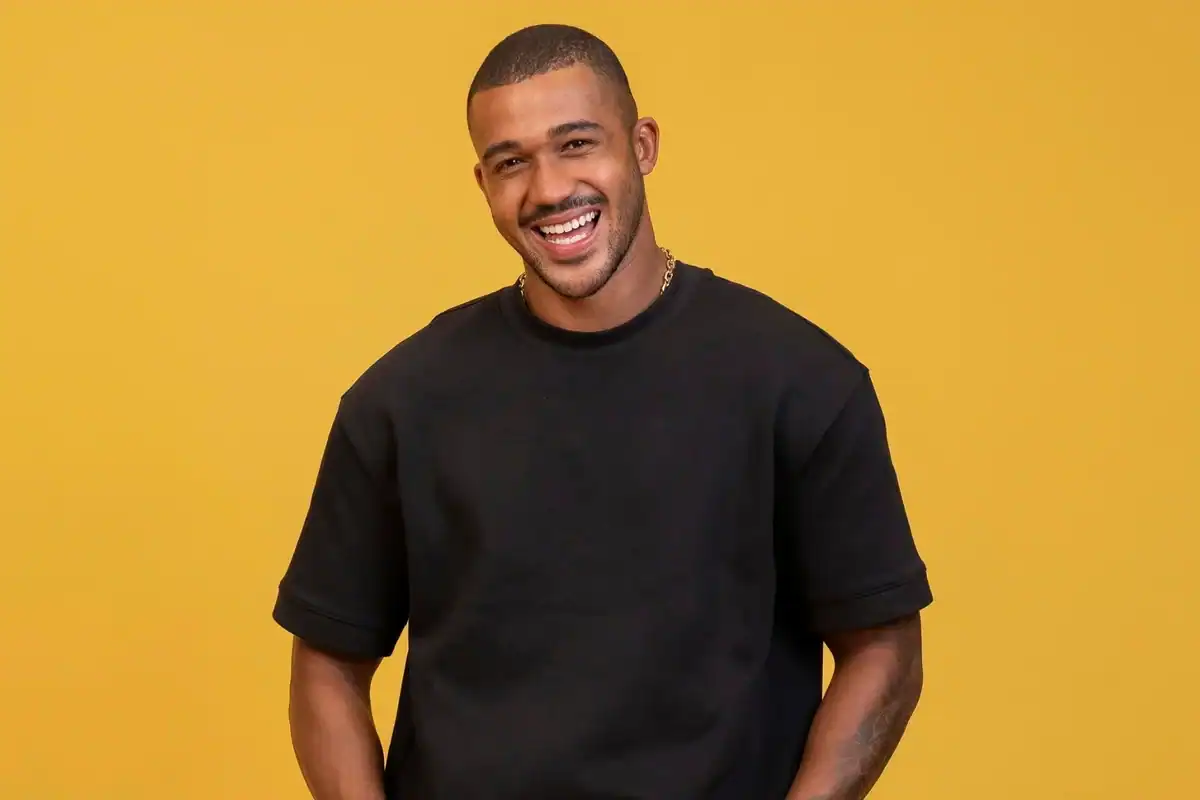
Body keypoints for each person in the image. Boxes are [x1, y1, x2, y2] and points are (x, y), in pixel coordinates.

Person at [272, 23, 933, 800]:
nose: (549, 189)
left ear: (642, 146)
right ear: (482, 184)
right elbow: (326, 663)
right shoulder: (399, 401)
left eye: (577, 144)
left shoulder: (802, 382)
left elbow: (883, 646)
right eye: (510, 162)